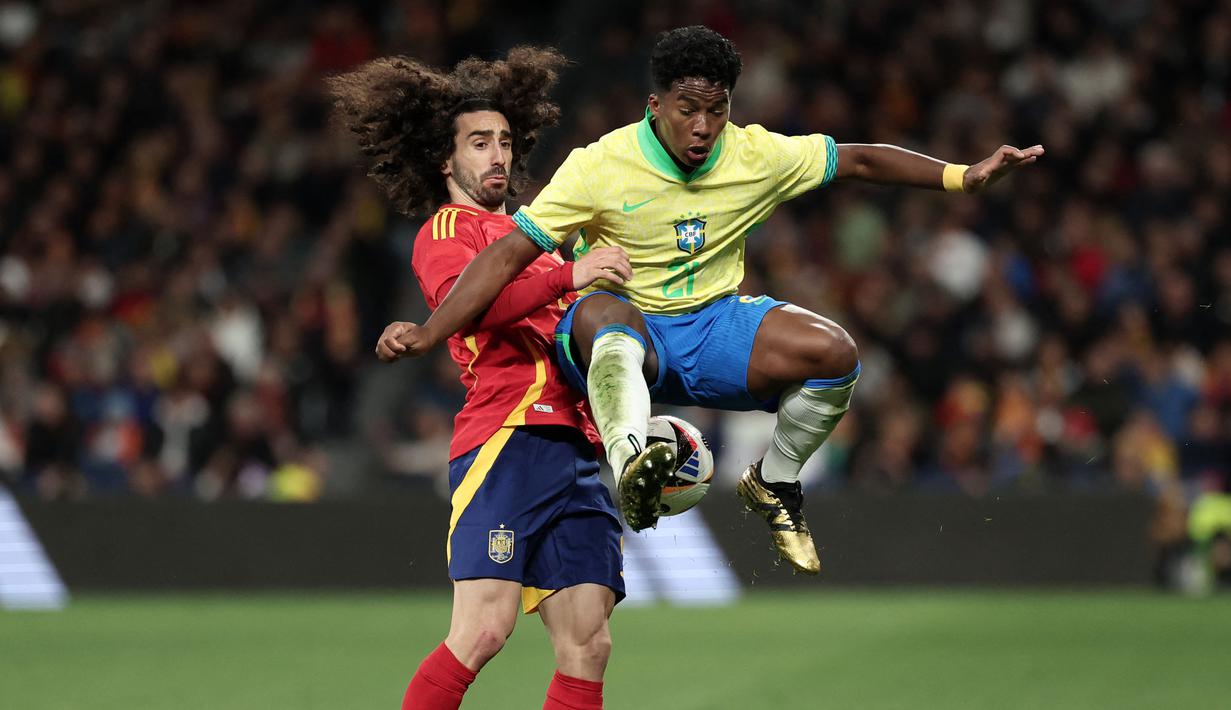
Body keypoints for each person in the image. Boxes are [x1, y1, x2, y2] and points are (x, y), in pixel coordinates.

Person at [386, 26, 1044, 575]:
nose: (702, 126)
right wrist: (427, 331)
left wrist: (964, 177)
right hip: (621, 332)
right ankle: (630, 464)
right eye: (687, 109)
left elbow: (860, 160)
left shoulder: (753, 154)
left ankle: (774, 481)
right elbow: (506, 257)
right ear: (655, 105)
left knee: (835, 355)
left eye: (717, 109)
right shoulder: (598, 165)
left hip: (710, 329)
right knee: (604, 310)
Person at [328, 48, 634, 710]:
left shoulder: (539, 238)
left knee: (589, 643)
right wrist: (568, 275)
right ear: (447, 160)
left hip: (574, 448)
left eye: (504, 141)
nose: (497, 155)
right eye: (478, 143)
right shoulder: (447, 232)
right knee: (483, 629)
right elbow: (468, 310)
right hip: (508, 438)